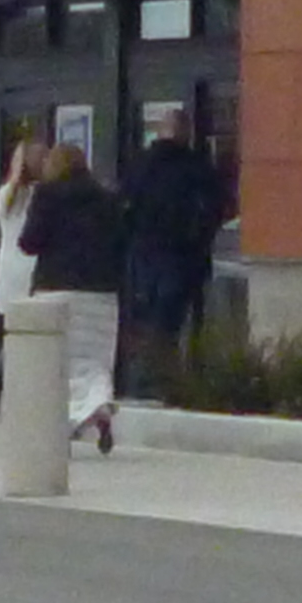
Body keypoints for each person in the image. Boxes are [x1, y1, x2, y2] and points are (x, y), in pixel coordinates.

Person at [17, 137, 125, 452]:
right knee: (96, 361)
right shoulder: (107, 198)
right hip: (102, 292)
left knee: (59, 363)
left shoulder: (47, 195)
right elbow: (121, 241)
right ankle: (100, 402)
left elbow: (29, 242)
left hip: (56, 288)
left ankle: (68, 423)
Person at [117, 106, 223, 396]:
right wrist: (199, 241)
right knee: (171, 322)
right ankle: (164, 381)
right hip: (181, 259)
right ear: (185, 132)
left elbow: (124, 210)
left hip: (143, 258)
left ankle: (143, 382)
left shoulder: (139, 166)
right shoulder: (196, 169)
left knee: (145, 319)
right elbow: (214, 210)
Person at [0, 133, 49, 415]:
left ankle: (1, 376)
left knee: (13, 331)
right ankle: (2, 375)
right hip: (34, 270)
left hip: (9, 271)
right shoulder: (44, 196)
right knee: (31, 333)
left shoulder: (5, 195)